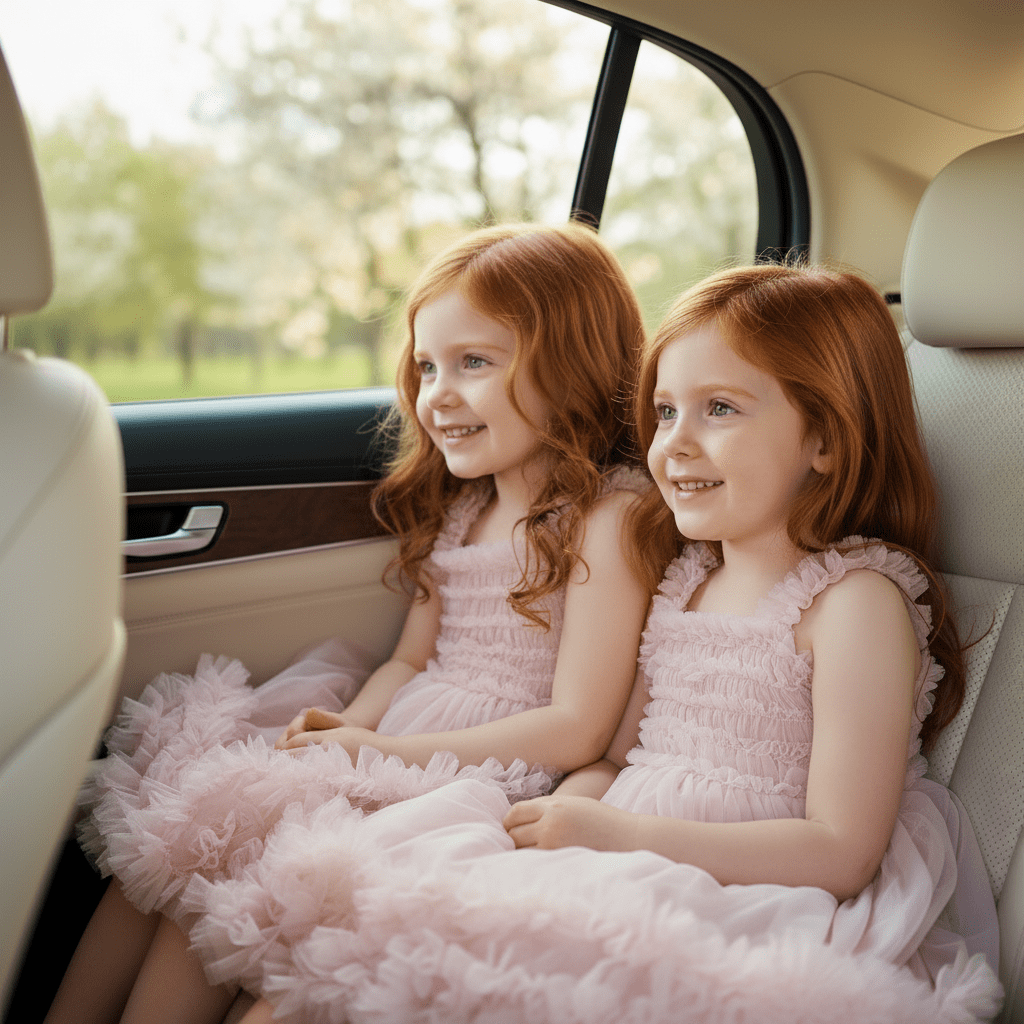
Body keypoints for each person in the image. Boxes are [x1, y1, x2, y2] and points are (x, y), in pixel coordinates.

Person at [197, 263, 1003, 1024]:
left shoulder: (855, 603)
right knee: (327, 970)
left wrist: (618, 836)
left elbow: (841, 850)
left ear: (824, 439)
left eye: (719, 409)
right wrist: (560, 821)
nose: (675, 443)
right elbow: (615, 760)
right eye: (664, 411)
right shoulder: (686, 581)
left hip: (738, 892)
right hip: (616, 847)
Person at [44, 222, 652, 1024]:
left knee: (270, 882)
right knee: (191, 853)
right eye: (427, 365)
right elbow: (409, 662)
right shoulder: (465, 508)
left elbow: (577, 726)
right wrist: (348, 734)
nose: (437, 393)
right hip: (396, 742)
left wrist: (382, 752)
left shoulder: (605, 519)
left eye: (475, 362)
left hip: (482, 773)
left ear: (572, 364)